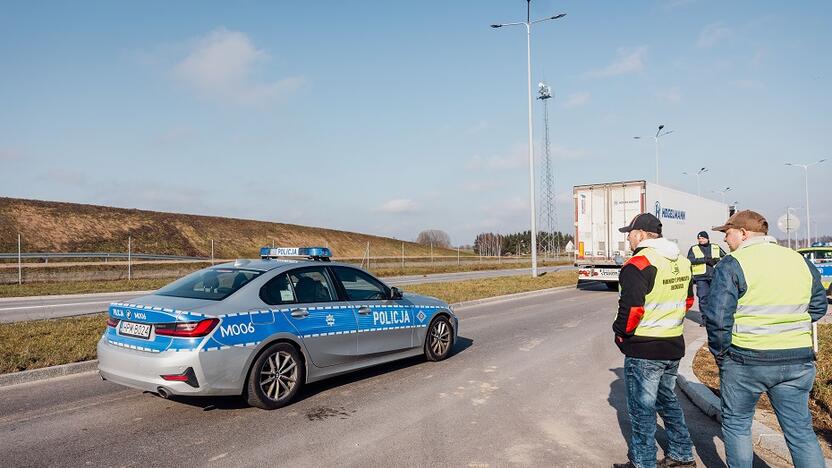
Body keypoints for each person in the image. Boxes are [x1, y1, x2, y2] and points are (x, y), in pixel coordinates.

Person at [705, 210, 827, 467]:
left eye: (727, 233)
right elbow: (818, 307)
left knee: (738, 426)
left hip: (746, 359)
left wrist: (721, 355)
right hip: (797, 359)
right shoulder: (798, 260)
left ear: (744, 233)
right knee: (800, 432)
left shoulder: (733, 263)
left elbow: (717, 318)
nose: (726, 240)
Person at [613, 213, 697, 468]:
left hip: (645, 349)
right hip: (672, 343)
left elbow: (633, 309)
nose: (628, 238)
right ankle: (682, 455)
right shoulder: (682, 262)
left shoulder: (637, 264)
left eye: (629, 233)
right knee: (667, 400)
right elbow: (688, 302)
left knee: (641, 410)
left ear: (640, 234)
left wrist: (620, 333)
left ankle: (643, 461)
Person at [686, 231, 726, 326]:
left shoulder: (715, 247)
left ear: (707, 239)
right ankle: (705, 320)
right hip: (701, 278)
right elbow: (689, 260)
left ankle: (715, 318)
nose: (701, 240)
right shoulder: (694, 248)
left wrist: (717, 260)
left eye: (703, 238)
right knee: (703, 298)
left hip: (715, 277)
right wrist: (705, 260)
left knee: (715, 298)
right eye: (699, 238)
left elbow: (725, 257)